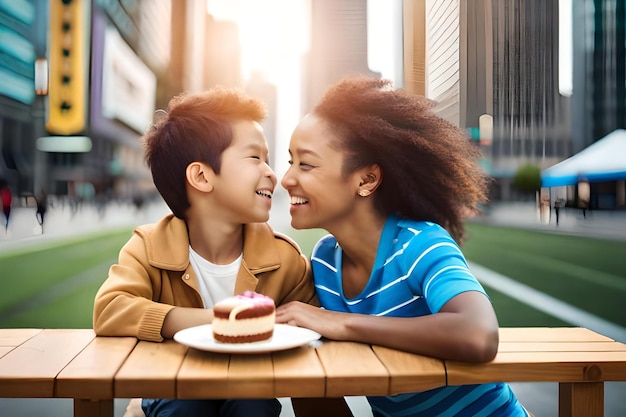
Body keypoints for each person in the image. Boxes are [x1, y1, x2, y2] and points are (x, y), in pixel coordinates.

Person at [276, 76, 531, 416]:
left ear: (366, 180)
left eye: (305, 163)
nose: (286, 178)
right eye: (290, 161)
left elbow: (478, 335)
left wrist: (340, 323)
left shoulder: (419, 244)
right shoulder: (323, 261)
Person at [93, 87, 321, 417]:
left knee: (254, 404)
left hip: (250, 388)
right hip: (173, 386)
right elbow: (110, 309)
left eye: (268, 160)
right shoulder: (148, 246)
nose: (273, 174)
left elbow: (312, 338)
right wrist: (220, 323)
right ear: (202, 176)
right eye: (255, 157)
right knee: (186, 402)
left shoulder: (284, 258)